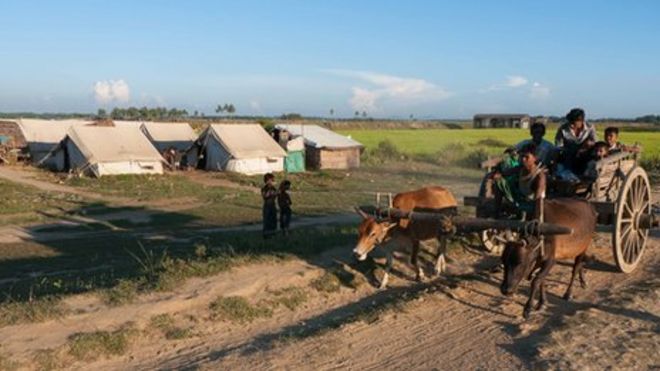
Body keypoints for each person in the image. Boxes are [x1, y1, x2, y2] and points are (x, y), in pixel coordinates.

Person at [491, 144, 547, 220]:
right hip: (519, 199)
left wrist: (536, 218)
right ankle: (496, 214)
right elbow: (506, 173)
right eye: (522, 156)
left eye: (527, 157)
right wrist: (497, 175)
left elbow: (537, 199)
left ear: (535, 158)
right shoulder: (520, 168)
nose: (523, 159)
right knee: (500, 182)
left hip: (531, 204)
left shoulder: (539, 176)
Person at [554, 108, 597, 181]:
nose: (571, 124)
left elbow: (595, 142)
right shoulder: (563, 129)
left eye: (574, 122)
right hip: (568, 155)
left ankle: (585, 177)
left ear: (581, 121)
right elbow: (559, 145)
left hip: (585, 154)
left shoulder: (590, 127)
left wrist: (587, 145)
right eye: (570, 121)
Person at [261, 173, 278, 239]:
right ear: (267, 181)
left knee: (274, 220)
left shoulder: (273, 188)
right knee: (267, 221)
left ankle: (273, 234)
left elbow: (276, 194)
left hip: (273, 205)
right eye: (272, 180)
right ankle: (266, 235)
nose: (273, 181)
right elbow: (265, 196)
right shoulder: (264, 188)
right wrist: (270, 189)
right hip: (267, 206)